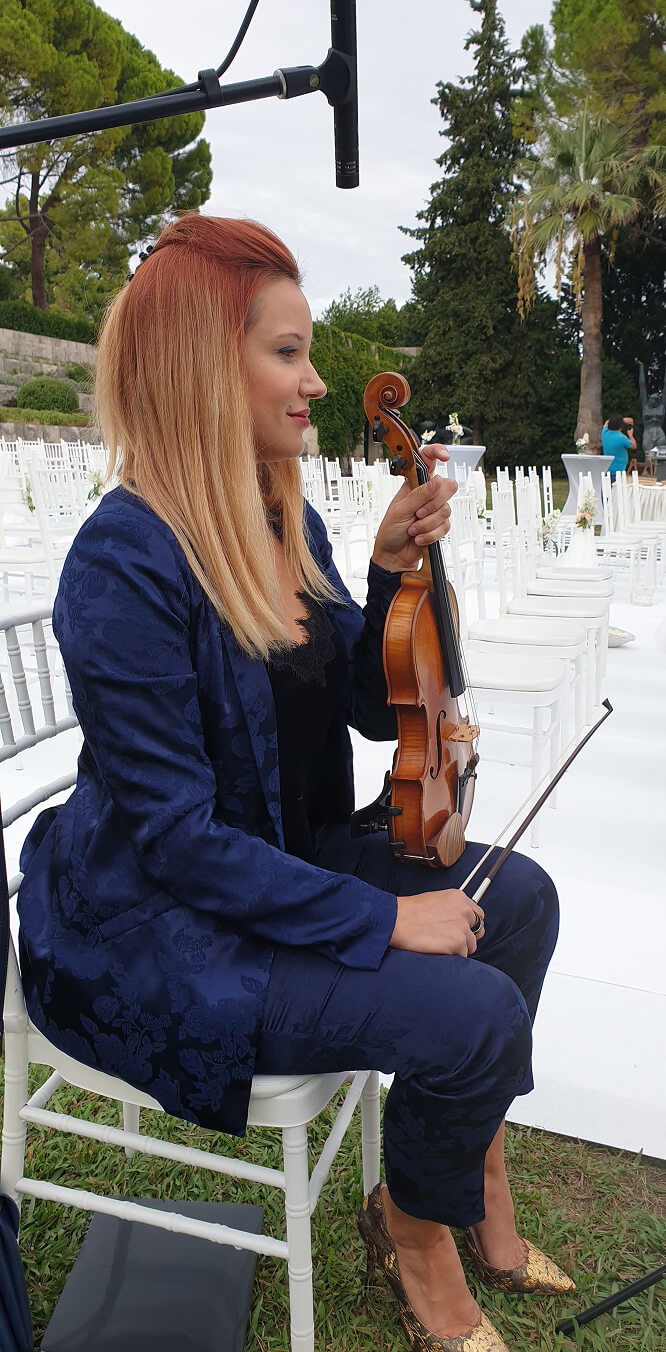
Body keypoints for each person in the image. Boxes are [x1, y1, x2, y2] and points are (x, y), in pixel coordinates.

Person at [17, 214, 571, 1352]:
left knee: (524, 898)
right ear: (201, 366)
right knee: (472, 1011)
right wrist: (383, 916)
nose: (317, 379)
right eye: (288, 351)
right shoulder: (122, 560)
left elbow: (370, 706)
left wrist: (382, 570)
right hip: (163, 926)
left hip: (281, 860)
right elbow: (175, 842)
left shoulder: (287, 514)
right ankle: (423, 1237)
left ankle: (428, 1185)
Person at [601, 414, 636, 479]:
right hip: (618, 471)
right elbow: (634, 446)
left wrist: (621, 420)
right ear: (620, 426)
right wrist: (630, 435)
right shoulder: (622, 438)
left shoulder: (604, 433)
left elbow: (607, 422)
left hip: (607, 469)